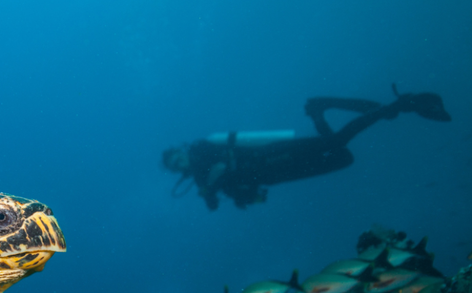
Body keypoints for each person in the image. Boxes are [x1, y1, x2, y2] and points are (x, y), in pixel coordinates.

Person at [162, 85, 451, 210]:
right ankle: (319, 111)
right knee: (343, 157)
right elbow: (234, 188)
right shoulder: (200, 178)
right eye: (176, 166)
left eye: (177, 158)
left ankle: (400, 105)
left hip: (270, 156)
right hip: (276, 175)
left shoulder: (200, 150)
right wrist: (242, 198)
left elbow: (224, 165)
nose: (181, 164)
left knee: (337, 144)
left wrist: (209, 187)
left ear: (181, 150)